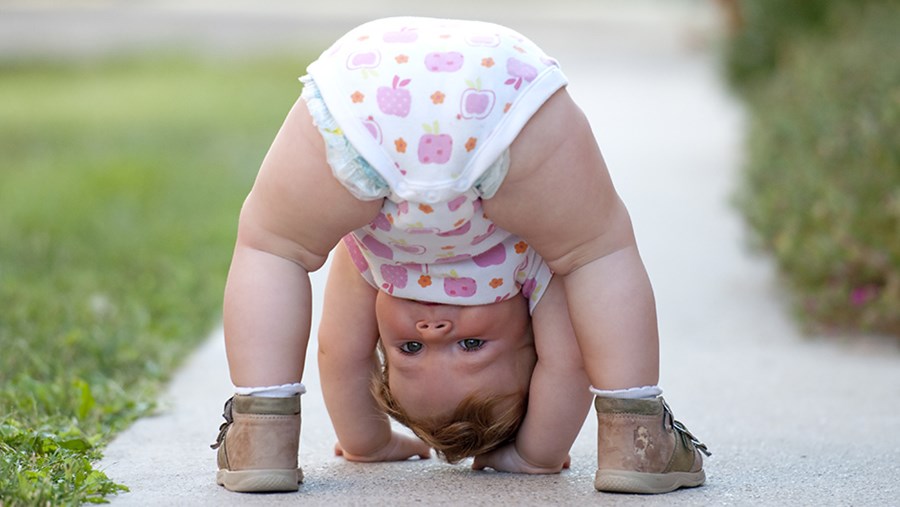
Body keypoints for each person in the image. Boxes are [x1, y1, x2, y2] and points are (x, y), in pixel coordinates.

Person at [210, 16, 709, 495]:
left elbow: (341, 354)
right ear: (528, 331)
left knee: (272, 244)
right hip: (488, 102)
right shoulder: (529, 271)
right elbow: (570, 361)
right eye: (472, 346)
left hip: (370, 94)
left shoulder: (372, 268)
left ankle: (262, 435)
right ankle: (636, 438)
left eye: (407, 350)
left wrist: (369, 441)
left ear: (379, 340)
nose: (433, 331)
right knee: (594, 251)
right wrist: (535, 454)